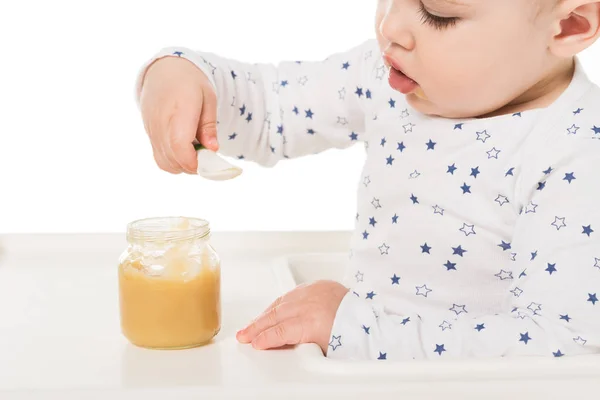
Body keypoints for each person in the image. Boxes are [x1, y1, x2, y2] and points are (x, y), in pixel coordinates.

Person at [135, 0, 600, 360]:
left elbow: (564, 342)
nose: (390, 27)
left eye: (438, 13)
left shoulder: (576, 152)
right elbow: (272, 109)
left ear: (571, 24)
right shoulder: (388, 75)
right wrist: (184, 73)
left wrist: (355, 331)